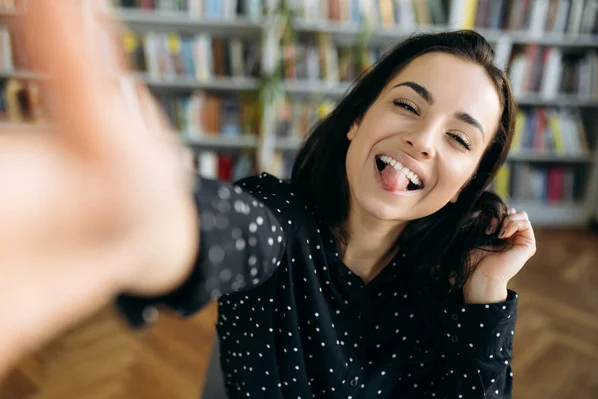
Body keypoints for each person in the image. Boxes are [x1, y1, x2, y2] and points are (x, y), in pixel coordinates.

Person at [0, 3, 536, 399]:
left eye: (459, 139)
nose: (423, 139)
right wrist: (142, 222)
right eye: (406, 105)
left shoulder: (455, 286)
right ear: (357, 120)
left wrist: (486, 291)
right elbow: (217, 230)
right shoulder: (276, 222)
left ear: (468, 183)